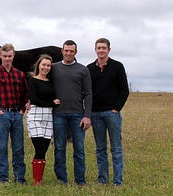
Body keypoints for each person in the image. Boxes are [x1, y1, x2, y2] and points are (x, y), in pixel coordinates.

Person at [87, 38, 129, 186]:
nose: (101, 50)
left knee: (116, 148)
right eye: (98, 48)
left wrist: (116, 108)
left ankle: (118, 181)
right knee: (100, 149)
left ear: (109, 50)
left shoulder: (117, 67)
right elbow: (87, 92)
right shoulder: (90, 68)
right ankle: (102, 180)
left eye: (104, 48)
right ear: (95, 50)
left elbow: (124, 90)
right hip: (96, 114)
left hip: (112, 114)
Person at [0, 43, 29, 184]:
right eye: (5, 56)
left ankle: (19, 178)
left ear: (13, 56)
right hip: (3, 115)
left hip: (17, 115)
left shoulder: (20, 75)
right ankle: (2, 178)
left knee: (18, 148)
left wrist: (22, 110)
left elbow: (25, 94)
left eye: (10, 56)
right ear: (0, 56)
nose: (7, 59)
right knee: (1, 148)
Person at [50, 40, 92, 186]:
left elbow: (88, 93)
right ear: (62, 51)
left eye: (71, 51)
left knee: (79, 149)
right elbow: (44, 86)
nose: (68, 53)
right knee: (59, 147)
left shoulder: (83, 69)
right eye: (66, 51)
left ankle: (80, 180)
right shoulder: (54, 68)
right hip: (58, 115)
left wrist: (87, 115)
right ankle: (62, 179)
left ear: (75, 52)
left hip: (77, 115)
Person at [26, 54, 60, 186]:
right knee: (39, 147)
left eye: (48, 65)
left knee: (44, 149)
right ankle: (36, 181)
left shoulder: (51, 82)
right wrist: (52, 103)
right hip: (35, 116)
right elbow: (34, 99)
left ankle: (39, 178)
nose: (45, 67)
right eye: (43, 65)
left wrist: (52, 103)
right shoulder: (33, 80)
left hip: (48, 117)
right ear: (38, 65)